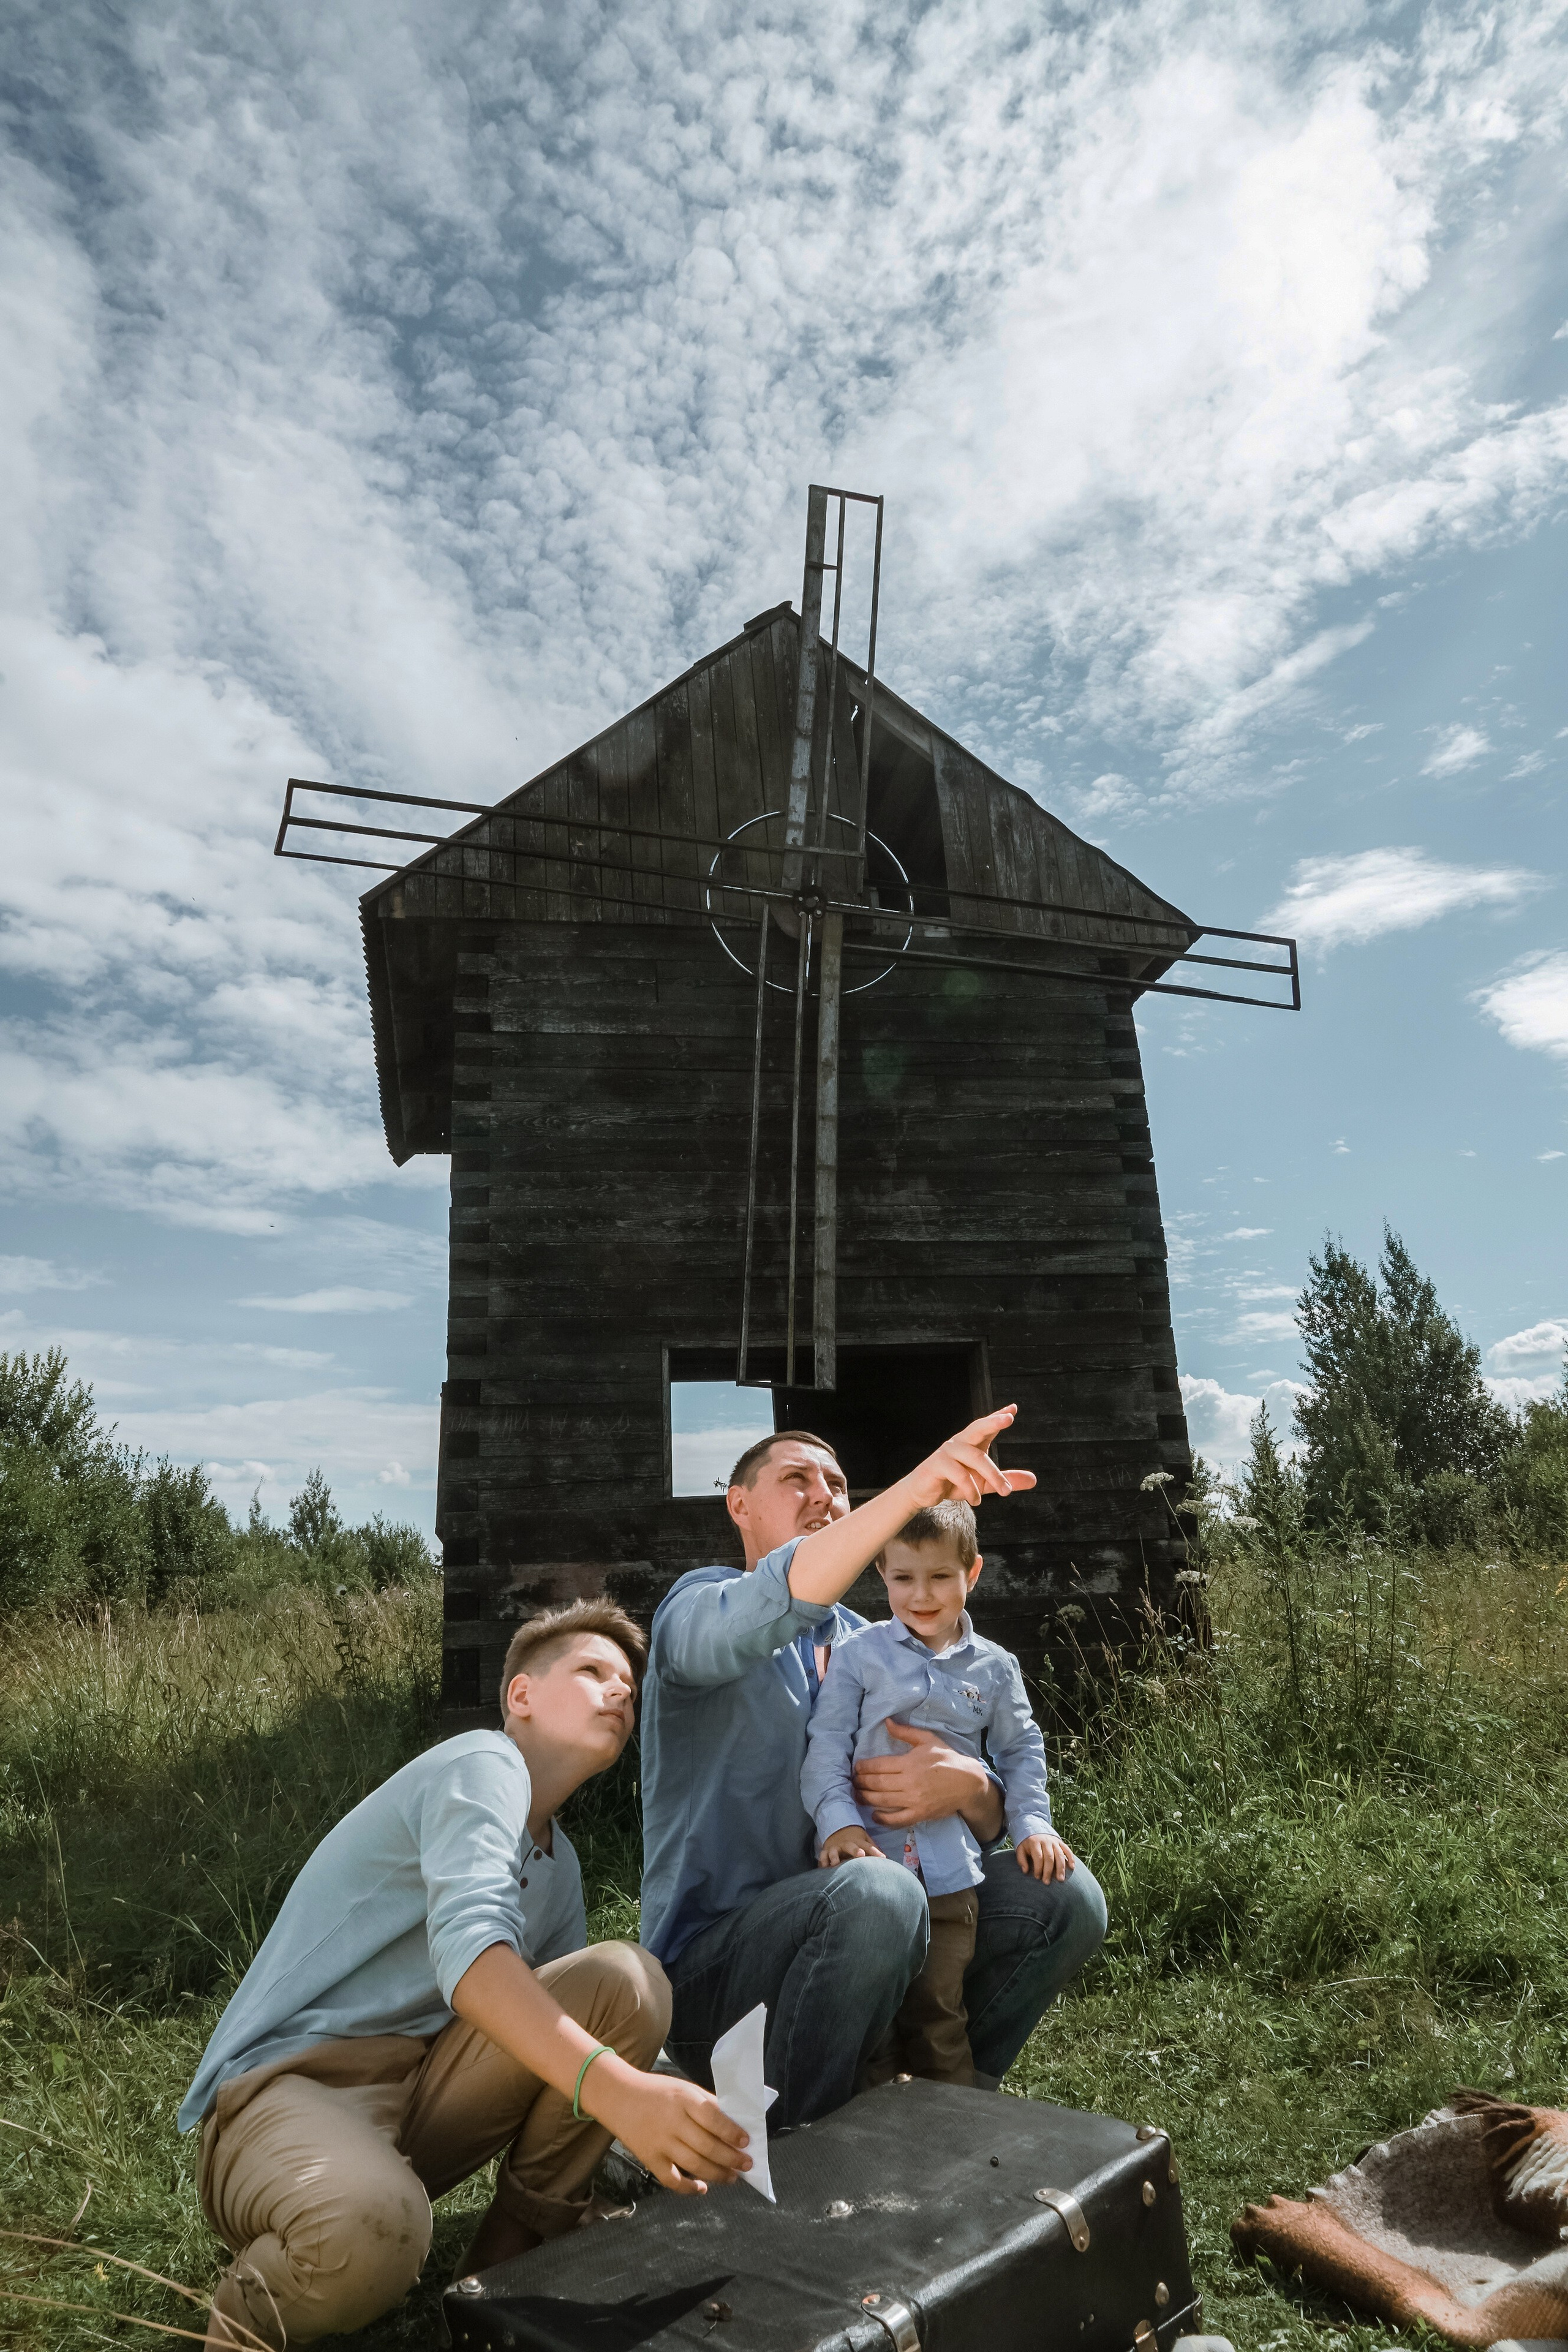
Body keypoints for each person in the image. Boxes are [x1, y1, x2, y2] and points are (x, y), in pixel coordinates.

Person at [181, 1600, 748, 2351]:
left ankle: (505, 2262)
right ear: (521, 1696)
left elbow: (548, 2047)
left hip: (423, 2093)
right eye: (591, 1672)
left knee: (625, 1982)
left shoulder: (561, 1863)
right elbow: (474, 1962)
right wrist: (623, 2092)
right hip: (289, 2092)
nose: (619, 1692)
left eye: (629, 1689)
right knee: (369, 2234)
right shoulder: (480, 1763)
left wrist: (670, 2117)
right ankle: (242, 2325)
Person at [639, 1408, 1106, 2128]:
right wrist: (920, 1488)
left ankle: (938, 2113)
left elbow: (964, 1821)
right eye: (795, 1479)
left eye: (837, 1483)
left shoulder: (875, 1647)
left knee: (1065, 1895)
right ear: (739, 1504)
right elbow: (781, 1594)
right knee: (877, 1894)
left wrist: (976, 1789)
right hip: (721, 1982)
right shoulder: (697, 1613)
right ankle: (812, 2145)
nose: (823, 1494)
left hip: (882, 1924)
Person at [801, 1498, 1075, 2087]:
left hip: (951, 1879)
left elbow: (1022, 1751)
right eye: (903, 1578)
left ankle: (954, 2133)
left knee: (939, 2011)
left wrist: (1032, 1823)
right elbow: (825, 1746)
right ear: (882, 1574)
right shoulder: (858, 1656)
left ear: (972, 1573)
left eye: (941, 1577)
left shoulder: (996, 1669)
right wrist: (837, 1823)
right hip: (867, 1871)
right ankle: (874, 2132)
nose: (921, 1595)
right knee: (871, 2019)